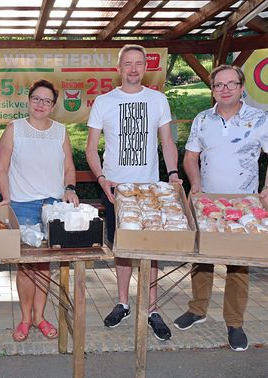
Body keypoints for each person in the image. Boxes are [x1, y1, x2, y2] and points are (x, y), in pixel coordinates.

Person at [86, 44, 181, 341]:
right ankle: (123, 303)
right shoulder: (103, 101)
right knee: (123, 249)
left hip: (150, 190)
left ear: (145, 67)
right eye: (127, 63)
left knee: (151, 252)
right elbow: (91, 148)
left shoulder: (158, 100)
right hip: (117, 190)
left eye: (138, 63)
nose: (133, 69)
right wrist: (102, 179)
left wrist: (174, 174)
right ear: (119, 68)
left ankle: (152, 309)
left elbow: (167, 143)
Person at [174, 64, 268, 352]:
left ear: (242, 87)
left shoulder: (260, 119)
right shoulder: (203, 120)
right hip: (207, 202)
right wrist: (196, 186)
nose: (224, 89)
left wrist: (267, 189)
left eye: (230, 84)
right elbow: (190, 157)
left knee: (238, 265)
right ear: (212, 89)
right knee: (201, 259)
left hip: (244, 205)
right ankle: (197, 309)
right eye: (218, 85)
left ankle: (235, 323)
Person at [0, 79, 79, 342]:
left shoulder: (60, 131)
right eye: (36, 99)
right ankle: (24, 319)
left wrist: (70, 188)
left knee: (44, 266)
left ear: (53, 105)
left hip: (53, 207)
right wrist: (6, 197)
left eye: (47, 100)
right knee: (25, 267)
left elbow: (68, 167)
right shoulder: (14, 129)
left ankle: (40, 317)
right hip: (22, 206)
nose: (41, 104)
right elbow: (1, 167)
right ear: (29, 100)